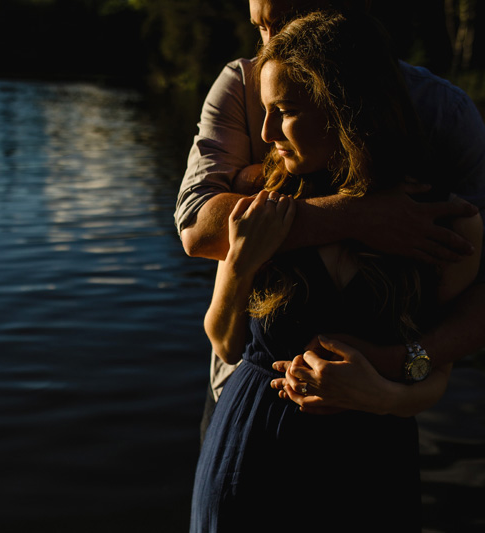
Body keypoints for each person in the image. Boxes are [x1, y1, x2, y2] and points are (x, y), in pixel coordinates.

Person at [190, 11, 482, 532]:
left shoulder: (439, 220)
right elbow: (224, 340)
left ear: (344, 109)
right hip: (251, 449)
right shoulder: (270, 202)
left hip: (370, 459)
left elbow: (437, 366)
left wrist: (385, 395)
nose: (265, 131)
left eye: (285, 111)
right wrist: (239, 261)